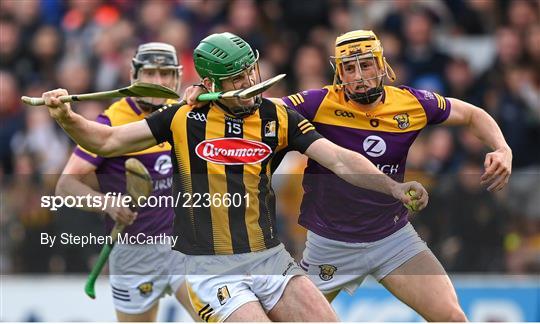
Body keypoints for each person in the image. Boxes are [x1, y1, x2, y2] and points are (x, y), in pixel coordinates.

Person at [43, 32, 428, 322]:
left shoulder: (278, 117)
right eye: (236, 79)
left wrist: (393, 187)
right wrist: (66, 118)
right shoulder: (183, 117)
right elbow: (107, 141)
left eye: (251, 72)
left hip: (270, 259)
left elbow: (342, 161)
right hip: (209, 268)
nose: (249, 83)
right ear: (211, 83)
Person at [186, 30, 512, 322]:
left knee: (452, 317)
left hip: (393, 239)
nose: (359, 76)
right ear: (338, 72)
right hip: (330, 245)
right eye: (349, 68)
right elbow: (257, 108)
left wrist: (501, 148)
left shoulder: (412, 104)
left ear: (382, 65)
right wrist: (207, 97)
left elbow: (472, 114)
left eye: (366, 65)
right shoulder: (318, 102)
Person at [55, 42, 197, 322]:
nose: (159, 82)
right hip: (134, 252)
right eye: (151, 73)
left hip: (185, 246)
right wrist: (107, 204)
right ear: (134, 76)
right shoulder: (111, 122)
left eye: (167, 74)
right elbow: (65, 186)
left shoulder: (182, 113)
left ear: (178, 77)